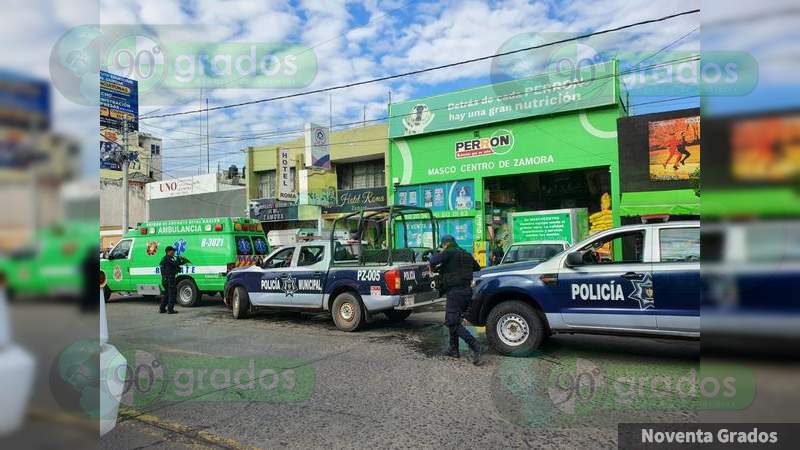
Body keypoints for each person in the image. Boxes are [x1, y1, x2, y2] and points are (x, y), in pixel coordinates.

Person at [429, 235, 485, 365]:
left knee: (452, 322)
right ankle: (453, 349)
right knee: (454, 319)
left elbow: (433, 260)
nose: (442, 248)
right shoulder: (465, 254)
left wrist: (442, 257)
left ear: (445, 244)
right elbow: (477, 267)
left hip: (455, 292)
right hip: (467, 292)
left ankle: (476, 346)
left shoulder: (449, 251)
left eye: (442, 246)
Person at [159, 246, 189, 314]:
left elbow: (172, 266)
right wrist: (179, 260)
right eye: (173, 251)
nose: (174, 252)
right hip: (170, 279)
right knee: (171, 294)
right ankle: (170, 309)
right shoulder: (169, 259)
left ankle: (162, 308)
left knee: (166, 294)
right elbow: (175, 264)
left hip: (164, 279)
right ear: (168, 251)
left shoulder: (163, 258)